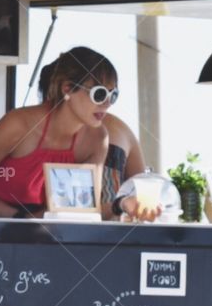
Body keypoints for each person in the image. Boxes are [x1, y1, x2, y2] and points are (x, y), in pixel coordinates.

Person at [0, 47, 113, 218]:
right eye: (100, 94)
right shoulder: (19, 124)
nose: (107, 103)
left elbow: (83, 208)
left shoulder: (97, 138)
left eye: (113, 95)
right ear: (67, 88)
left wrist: (120, 206)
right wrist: (20, 220)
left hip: (37, 227)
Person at [35, 60, 156, 221]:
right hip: (113, 231)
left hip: (58, 230)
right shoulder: (122, 130)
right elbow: (141, 188)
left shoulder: (42, 134)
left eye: (112, 96)